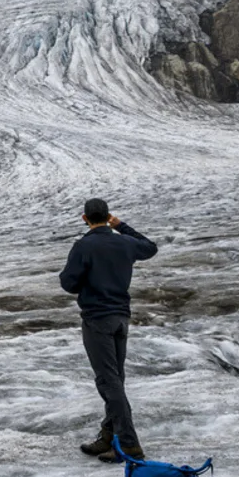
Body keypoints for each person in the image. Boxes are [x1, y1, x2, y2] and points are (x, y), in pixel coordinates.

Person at [59, 198, 158, 462]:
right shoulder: (124, 242)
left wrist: (87, 280)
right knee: (116, 378)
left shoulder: (84, 246)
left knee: (108, 381)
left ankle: (128, 445)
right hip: (121, 318)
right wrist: (122, 226)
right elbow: (150, 247)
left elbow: (68, 283)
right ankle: (108, 436)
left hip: (96, 318)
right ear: (108, 216)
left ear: (84, 218)